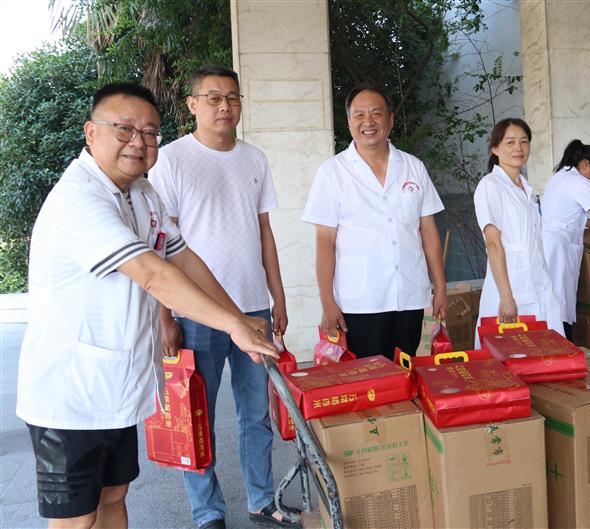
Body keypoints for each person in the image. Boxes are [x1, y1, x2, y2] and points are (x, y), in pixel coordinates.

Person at [16, 82, 278, 529]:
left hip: (115, 386)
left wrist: (238, 318)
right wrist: (233, 326)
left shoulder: (141, 193)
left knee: (114, 497)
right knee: (77, 518)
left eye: (150, 132)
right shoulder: (79, 199)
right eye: (124, 129)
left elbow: (183, 258)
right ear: (91, 133)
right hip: (69, 396)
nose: (138, 142)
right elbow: (154, 275)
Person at [149, 65, 297, 529]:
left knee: (257, 413)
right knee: (197, 415)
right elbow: (160, 244)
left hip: (253, 307)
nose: (224, 106)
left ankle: (261, 500)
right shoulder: (171, 160)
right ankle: (207, 512)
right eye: (213, 97)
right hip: (197, 313)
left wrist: (277, 296)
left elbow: (265, 232)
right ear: (192, 105)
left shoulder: (254, 159)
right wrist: (165, 317)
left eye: (232, 97)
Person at [302, 82, 447, 359]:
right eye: (359, 115)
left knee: (405, 372)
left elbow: (428, 232)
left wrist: (440, 287)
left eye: (376, 114)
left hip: (409, 296)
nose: (368, 122)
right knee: (366, 378)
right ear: (349, 121)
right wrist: (327, 302)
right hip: (360, 302)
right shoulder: (332, 173)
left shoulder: (413, 167)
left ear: (390, 120)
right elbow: (325, 242)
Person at [473, 118, 564, 347]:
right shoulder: (491, 186)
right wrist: (506, 296)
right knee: (510, 355)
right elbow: (493, 243)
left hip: (539, 283)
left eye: (524, 141)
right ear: (495, 149)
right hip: (511, 287)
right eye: (510, 142)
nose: (518, 148)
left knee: (546, 354)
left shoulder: (526, 189)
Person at [541, 139, 590, 341]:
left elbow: (568, 211)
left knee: (553, 298)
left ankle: (557, 341)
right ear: (586, 164)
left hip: (548, 243)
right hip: (559, 247)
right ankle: (562, 343)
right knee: (560, 300)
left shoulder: (558, 178)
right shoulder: (578, 182)